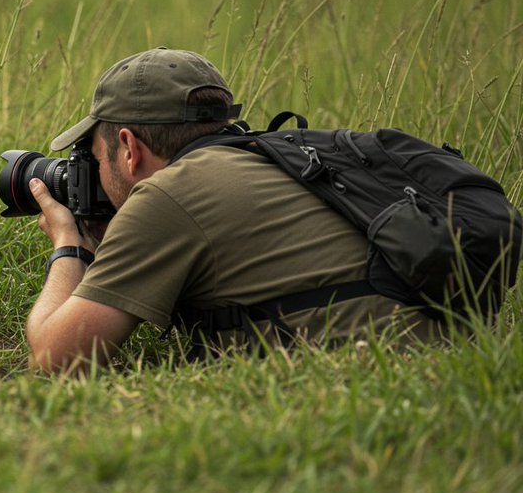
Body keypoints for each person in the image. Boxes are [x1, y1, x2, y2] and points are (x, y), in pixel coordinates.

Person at [26, 47, 446, 373]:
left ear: (129, 148)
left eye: (97, 158)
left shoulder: (168, 196)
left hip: (373, 368)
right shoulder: (274, 157)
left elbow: (54, 360)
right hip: (438, 347)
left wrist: (69, 244)